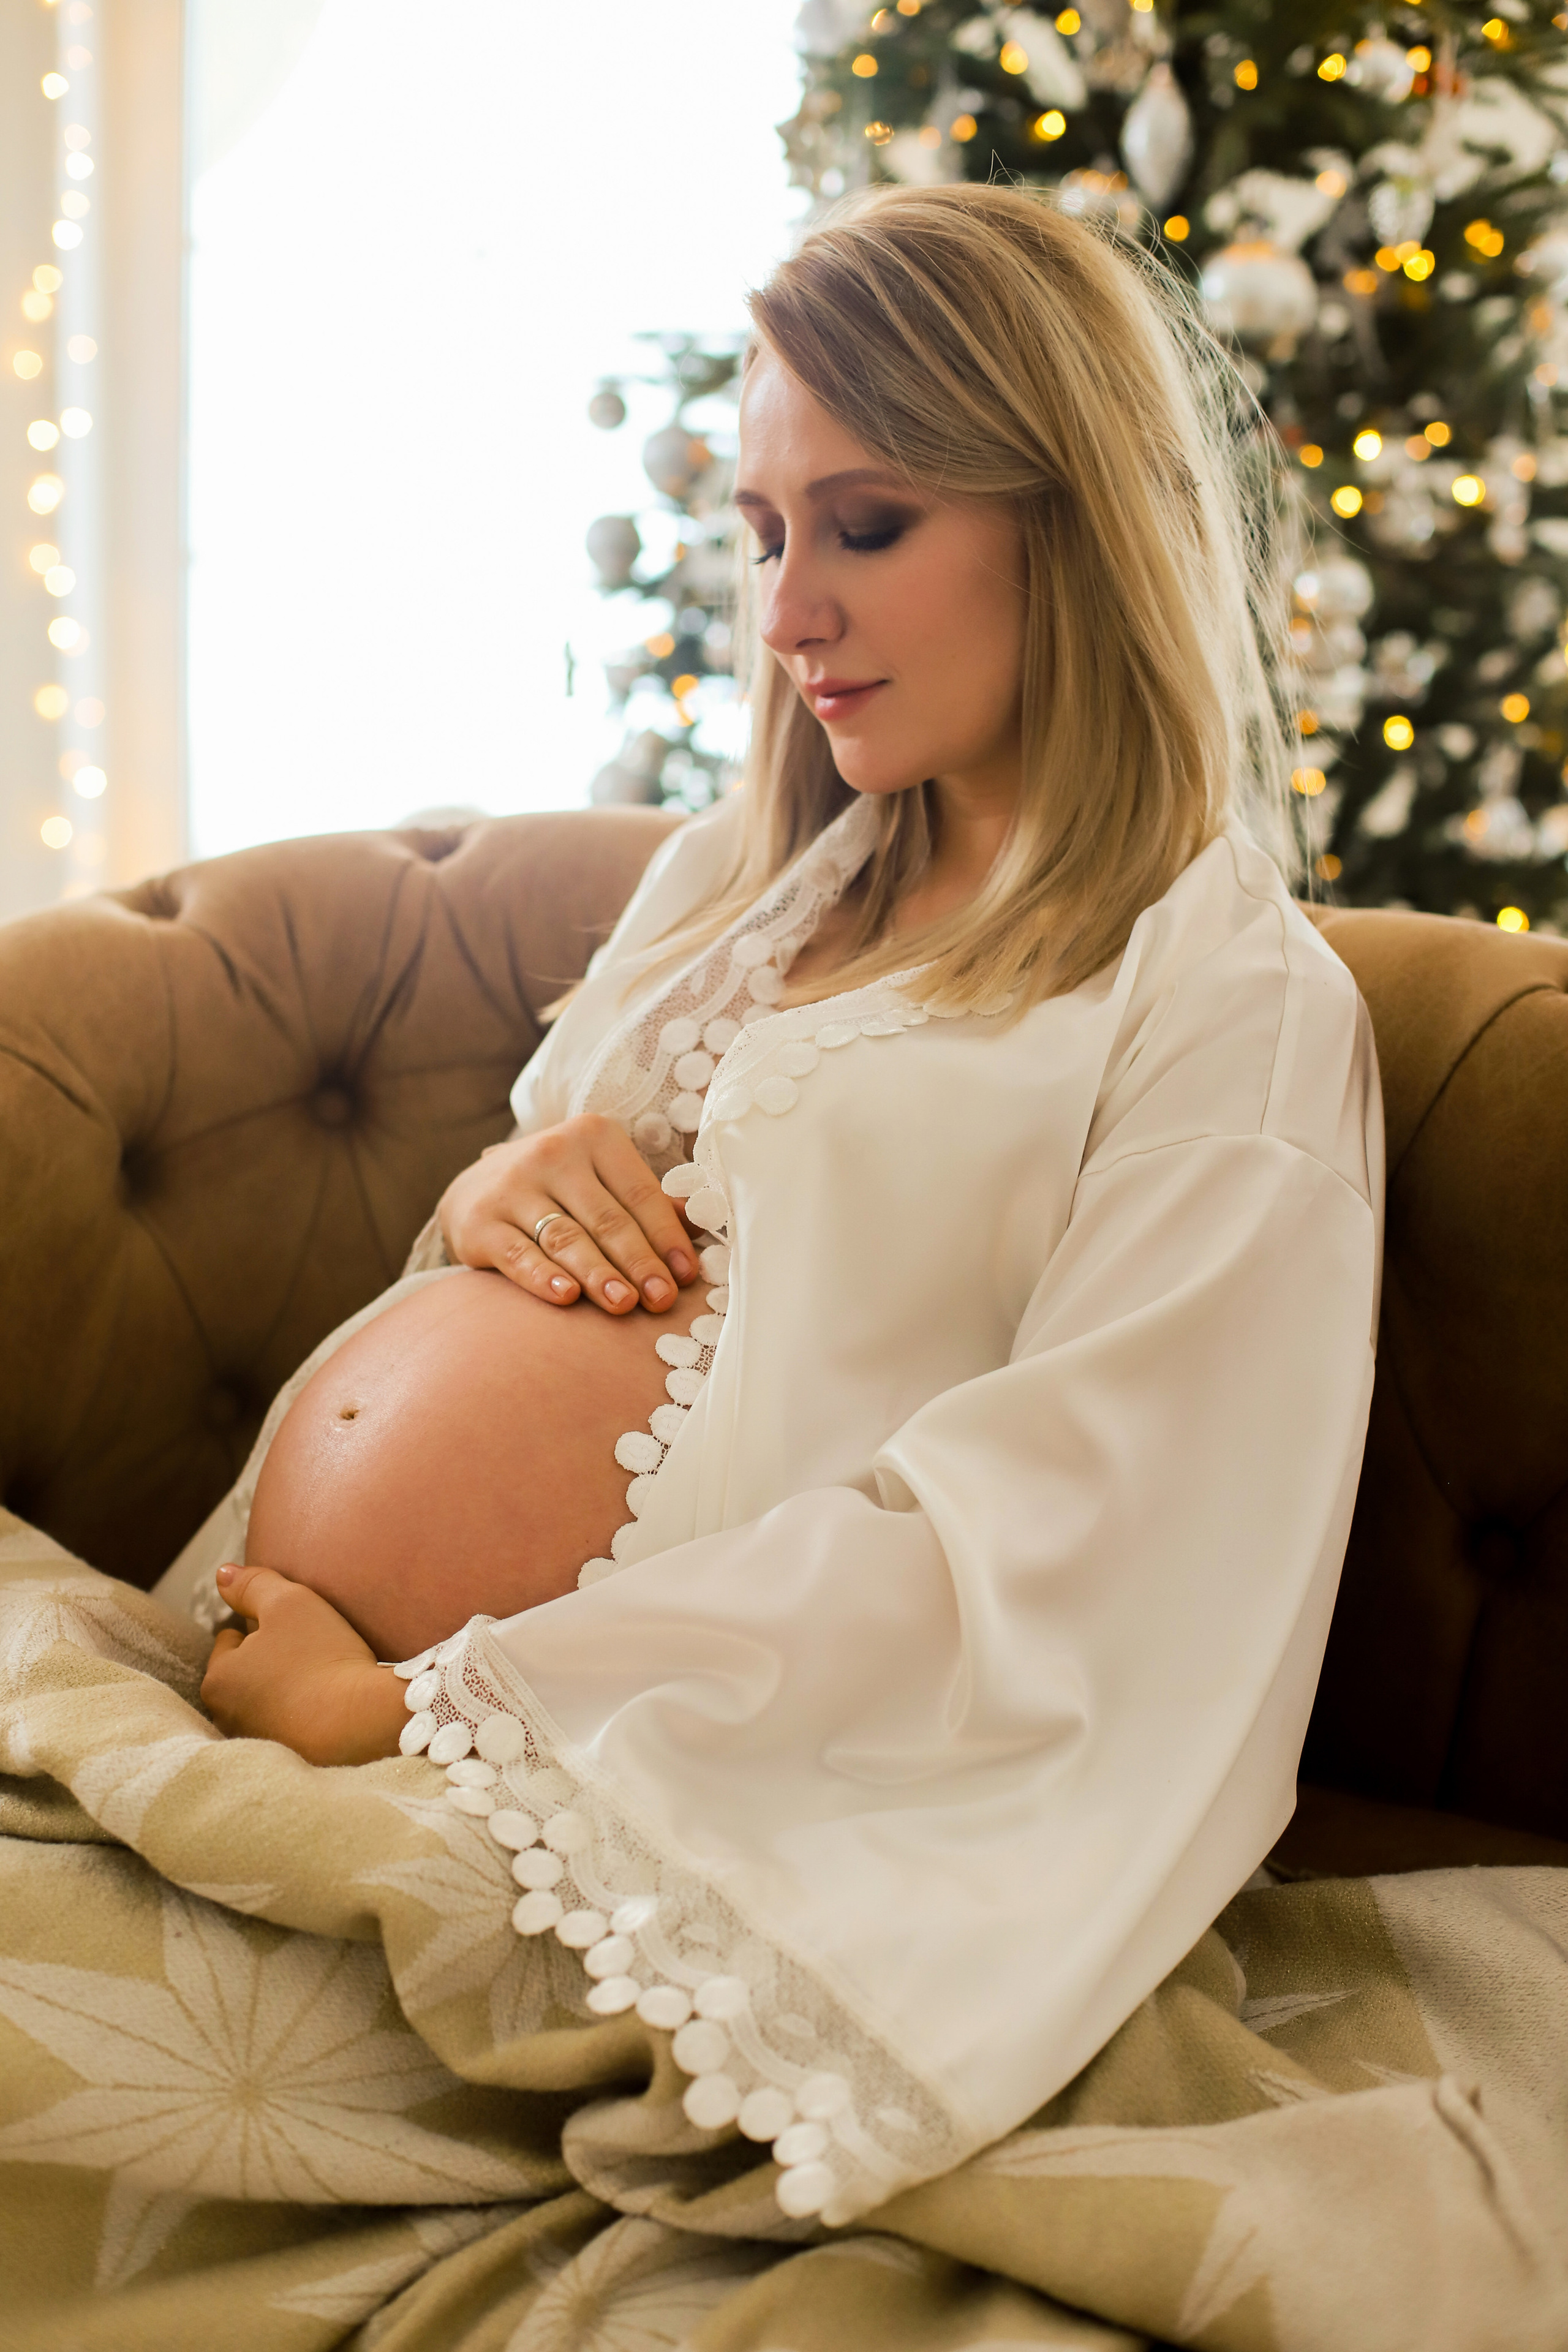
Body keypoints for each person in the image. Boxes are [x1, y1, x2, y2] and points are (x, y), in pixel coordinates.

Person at [195, 182, 1382, 2228]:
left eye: (868, 524)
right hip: (298, 1676)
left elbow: (1081, 1551)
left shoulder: (1228, 1006)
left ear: (1074, 509)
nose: (784, 615)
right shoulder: (752, 883)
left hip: (640, 1808)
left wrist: (408, 1708)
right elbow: (534, 1258)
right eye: (759, 533)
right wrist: (503, 1186)